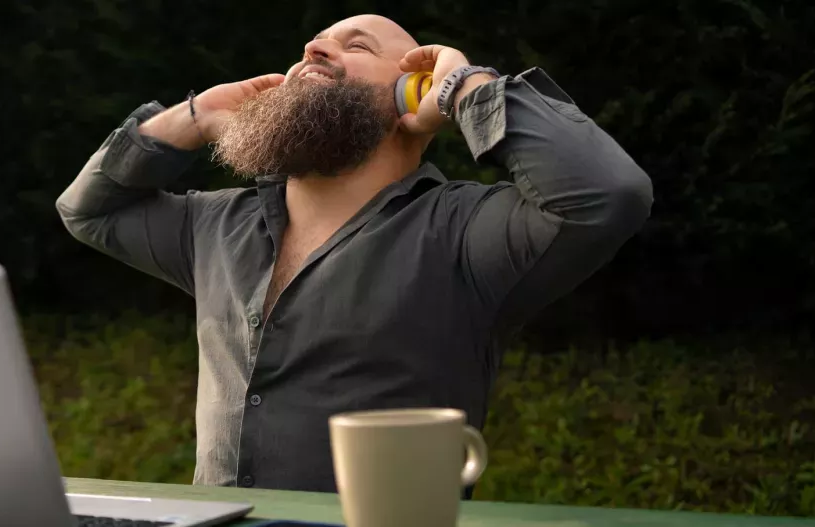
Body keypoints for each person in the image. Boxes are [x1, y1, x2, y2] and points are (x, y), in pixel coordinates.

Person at [55, 14, 652, 496]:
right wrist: (197, 115)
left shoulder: (467, 233)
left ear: (412, 96)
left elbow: (606, 195)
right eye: (312, 44)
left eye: (357, 45)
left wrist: (466, 87)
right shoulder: (214, 223)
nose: (313, 49)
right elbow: (89, 210)